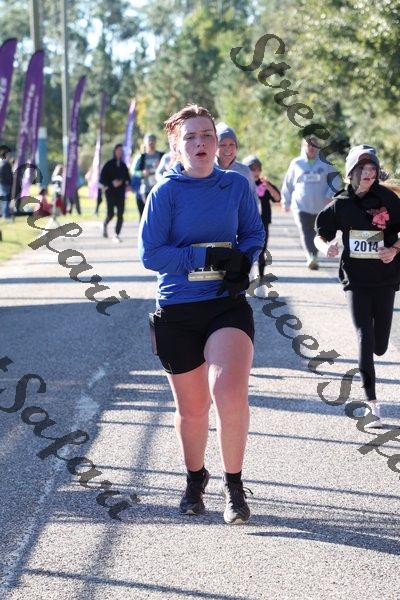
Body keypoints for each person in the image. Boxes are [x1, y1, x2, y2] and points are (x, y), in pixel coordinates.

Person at [138, 104, 265, 524]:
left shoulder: (235, 185)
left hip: (225, 304)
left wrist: (244, 260)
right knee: (193, 410)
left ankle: (234, 485)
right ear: (177, 147)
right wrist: (203, 257)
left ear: (217, 142)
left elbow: (253, 232)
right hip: (178, 309)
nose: (200, 143)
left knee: (228, 393)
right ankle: (195, 478)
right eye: (190, 137)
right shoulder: (165, 193)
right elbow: (151, 254)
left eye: (206, 135)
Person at [314, 145, 400, 428]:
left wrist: (394, 249)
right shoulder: (341, 204)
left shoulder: (388, 199)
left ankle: (376, 355)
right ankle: (372, 403)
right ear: (351, 171)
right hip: (356, 280)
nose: (368, 174)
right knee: (364, 336)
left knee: (380, 346)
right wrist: (326, 247)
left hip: (385, 278)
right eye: (363, 169)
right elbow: (319, 235)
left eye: (372, 169)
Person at [281, 134, 341, 270]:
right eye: (308, 145)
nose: (311, 148)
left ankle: (314, 254)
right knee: (305, 231)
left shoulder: (325, 164)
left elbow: (336, 180)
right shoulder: (296, 163)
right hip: (301, 205)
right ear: (303, 147)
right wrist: (285, 201)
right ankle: (311, 256)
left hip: (321, 206)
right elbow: (288, 183)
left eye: (314, 145)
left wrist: (329, 195)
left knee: (317, 232)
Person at [243, 155, 281, 297]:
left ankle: (260, 281)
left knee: (261, 251)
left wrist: (268, 186)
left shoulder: (264, 184)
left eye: (257, 168)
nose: (255, 171)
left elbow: (277, 198)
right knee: (246, 251)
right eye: (252, 169)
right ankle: (246, 278)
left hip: (262, 223)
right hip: (245, 223)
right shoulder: (242, 184)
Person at [215, 123, 258, 202]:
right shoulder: (207, 169)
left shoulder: (244, 171)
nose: (228, 149)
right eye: (223, 145)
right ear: (215, 147)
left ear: (236, 147)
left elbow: (253, 197)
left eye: (231, 144)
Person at [99, 143, 131, 242]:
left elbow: (127, 178)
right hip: (110, 193)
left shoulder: (123, 165)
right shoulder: (108, 164)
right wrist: (111, 184)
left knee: (120, 214)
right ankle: (105, 224)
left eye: (121, 151)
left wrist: (125, 183)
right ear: (115, 151)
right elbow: (102, 179)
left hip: (120, 193)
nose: (120, 152)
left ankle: (117, 234)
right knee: (111, 213)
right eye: (118, 150)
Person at [133, 134, 164, 217]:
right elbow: (134, 172)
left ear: (155, 142)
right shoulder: (141, 157)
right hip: (146, 189)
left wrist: (161, 167)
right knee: (149, 212)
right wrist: (142, 173)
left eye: (153, 140)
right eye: (149, 141)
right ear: (145, 143)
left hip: (159, 188)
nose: (151, 142)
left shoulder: (161, 155)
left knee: (159, 213)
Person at [0, 145, 13, 220]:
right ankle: (6, 214)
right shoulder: (6, 164)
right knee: (6, 199)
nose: (10, 156)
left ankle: (4, 214)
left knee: (4, 200)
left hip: (3, 184)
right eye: (8, 155)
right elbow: (8, 176)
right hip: (6, 184)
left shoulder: (2, 163)